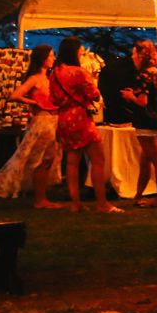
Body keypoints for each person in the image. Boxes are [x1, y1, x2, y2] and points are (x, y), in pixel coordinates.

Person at [0, 45, 63, 209]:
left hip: (53, 122)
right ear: (43, 58)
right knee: (40, 160)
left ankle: (42, 197)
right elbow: (15, 95)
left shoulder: (49, 78)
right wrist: (34, 102)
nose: (53, 58)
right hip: (42, 122)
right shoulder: (34, 79)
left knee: (48, 160)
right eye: (51, 56)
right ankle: (40, 199)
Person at [47, 37, 120, 213]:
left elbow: (53, 98)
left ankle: (75, 203)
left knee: (72, 162)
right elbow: (94, 94)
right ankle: (102, 203)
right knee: (97, 160)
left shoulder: (54, 74)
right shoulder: (79, 72)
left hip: (64, 118)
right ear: (75, 53)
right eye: (80, 51)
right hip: (80, 117)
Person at [101, 39, 157, 206]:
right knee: (145, 160)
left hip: (144, 120)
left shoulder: (144, 75)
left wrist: (131, 97)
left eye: (135, 54)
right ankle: (138, 196)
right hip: (154, 118)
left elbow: (142, 101)